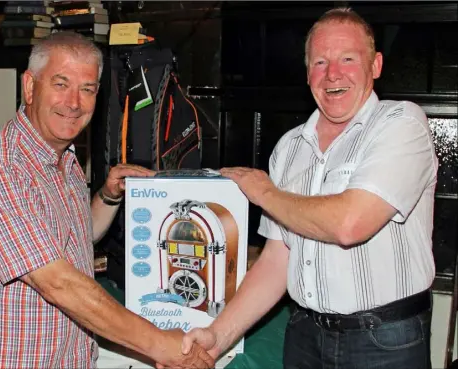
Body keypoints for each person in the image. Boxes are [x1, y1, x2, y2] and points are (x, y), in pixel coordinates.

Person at [179, 7, 437, 369]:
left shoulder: (401, 124)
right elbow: (276, 260)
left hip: (383, 341)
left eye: (348, 58)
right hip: (304, 335)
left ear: (375, 65)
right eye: (320, 62)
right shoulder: (289, 147)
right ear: (307, 73)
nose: (333, 74)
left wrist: (264, 192)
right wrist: (217, 336)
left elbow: (349, 224)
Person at [0, 31, 214, 369]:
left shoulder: (64, 160)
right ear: (29, 87)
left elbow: (72, 242)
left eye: (87, 90)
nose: (74, 103)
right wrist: (162, 345)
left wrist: (108, 196)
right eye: (60, 84)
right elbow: (58, 282)